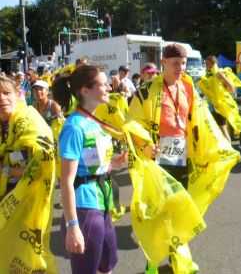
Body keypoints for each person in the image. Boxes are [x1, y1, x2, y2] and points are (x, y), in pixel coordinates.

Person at [54, 65, 127, 274]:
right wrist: (72, 226)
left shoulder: (93, 121)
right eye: (103, 84)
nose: (108, 88)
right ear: (85, 90)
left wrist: (113, 163)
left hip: (103, 203)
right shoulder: (74, 127)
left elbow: (90, 165)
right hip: (85, 207)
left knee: (107, 265)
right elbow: (67, 181)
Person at [130, 44, 194, 273]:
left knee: (178, 213)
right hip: (158, 161)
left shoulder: (188, 86)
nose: (181, 67)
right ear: (163, 63)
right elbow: (133, 122)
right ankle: (152, 264)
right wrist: (146, 145)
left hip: (182, 159)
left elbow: (195, 120)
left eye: (184, 63)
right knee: (157, 215)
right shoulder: (146, 91)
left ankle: (179, 261)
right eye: (176, 63)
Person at [0, 75, 57, 272]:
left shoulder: (29, 123)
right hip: (6, 201)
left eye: (6, 93)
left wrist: (5, 170)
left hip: (26, 204)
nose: (2, 98)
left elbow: (35, 166)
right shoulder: (5, 125)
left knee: (27, 259)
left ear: (18, 96)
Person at [203, 55, 236, 140]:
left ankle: (229, 150)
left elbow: (232, 88)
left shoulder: (220, 73)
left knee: (223, 130)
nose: (205, 65)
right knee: (214, 131)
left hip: (220, 107)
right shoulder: (209, 75)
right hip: (211, 107)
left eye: (207, 63)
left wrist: (223, 78)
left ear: (212, 63)